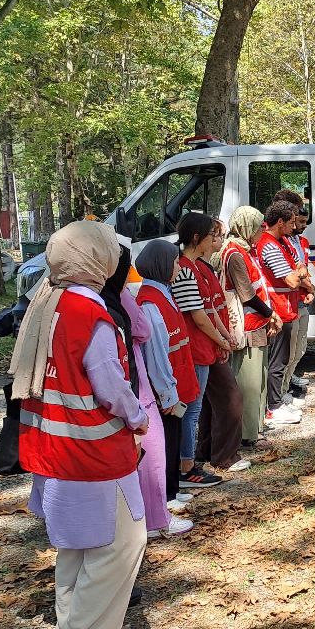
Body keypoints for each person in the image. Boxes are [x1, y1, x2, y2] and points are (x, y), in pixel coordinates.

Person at [9, 221, 146, 629]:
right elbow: (111, 386)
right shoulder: (92, 314)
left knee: (75, 549)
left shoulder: (45, 302)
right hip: (93, 453)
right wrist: (139, 417)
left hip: (51, 448)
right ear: (99, 260)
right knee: (119, 547)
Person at [102, 244, 194, 540]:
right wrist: (166, 393)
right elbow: (142, 331)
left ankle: (148, 513)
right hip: (135, 382)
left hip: (127, 381)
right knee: (152, 451)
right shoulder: (127, 297)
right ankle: (156, 518)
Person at [173, 213, 240, 487]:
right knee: (192, 409)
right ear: (197, 238)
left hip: (205, 346)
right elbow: (198, 316)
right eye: (211, 235)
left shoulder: (198, 266)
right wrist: (222, 340)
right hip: (196, 348)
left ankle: (191, 460)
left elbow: (210, 307)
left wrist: (224, 336)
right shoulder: (186, 269)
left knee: (198, 407)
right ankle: (187, 466)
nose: (216, 239)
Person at [134, 240, 200, 512]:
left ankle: (172, 488)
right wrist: (166, 393)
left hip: (177, 378)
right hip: (167, 385)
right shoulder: (151, 303)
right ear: (162, 265)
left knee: (172, 437)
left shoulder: (163, 294)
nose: (177, 267)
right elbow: (156, 354)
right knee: (167, 439)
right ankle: (167, 494)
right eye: (174, 263)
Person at [219, 206, 281, 447]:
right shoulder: (235, 254)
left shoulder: (243, 250)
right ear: (246, 228)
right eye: (257, 227)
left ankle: (256, 427)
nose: (261, 231)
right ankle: (248, 434)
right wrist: (272, 314)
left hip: (256, 322)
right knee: (250, 381)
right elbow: (247, 295)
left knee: (259, 377)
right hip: (248, 324)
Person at [256, 201, 306, 425]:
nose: (294, 227)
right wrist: (300, 276)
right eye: (291, 223)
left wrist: (301, 276)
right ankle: (273, 407)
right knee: (277, 361)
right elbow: (293, 279)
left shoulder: (282, 242)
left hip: (286, 307)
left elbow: (301, 268)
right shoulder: (269, 245)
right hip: (278, 308)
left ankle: (277, 402)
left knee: (283, 358)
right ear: (280, 222)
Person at [282, 203, 315, 397]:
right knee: (289, 349)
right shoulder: (283, 242)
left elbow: (304, 268)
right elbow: (293, 274)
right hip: (292, 299)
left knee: (300, 346)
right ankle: (284, 389)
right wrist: (308, 287)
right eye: (300, 222)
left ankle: (290, 378)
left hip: (302, 297)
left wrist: (309, 288)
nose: (303, 225)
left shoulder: (302, 242)